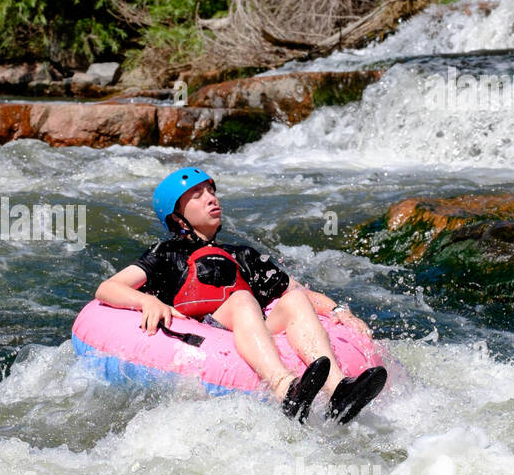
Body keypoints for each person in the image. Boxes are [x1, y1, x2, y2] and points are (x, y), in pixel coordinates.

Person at [95, 167, 386, 423]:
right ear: (177, 218)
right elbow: (108, 288)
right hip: (205, 332)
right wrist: (148, 300)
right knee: (243, 299)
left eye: (211, 191)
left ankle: (338, 389)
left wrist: (338, 312)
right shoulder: (166, 254)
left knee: (294, 300)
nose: (211, 198)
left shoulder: (243, 255)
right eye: (197, 195)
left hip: (251, 329)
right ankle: (284, 387)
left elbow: (299, 292)